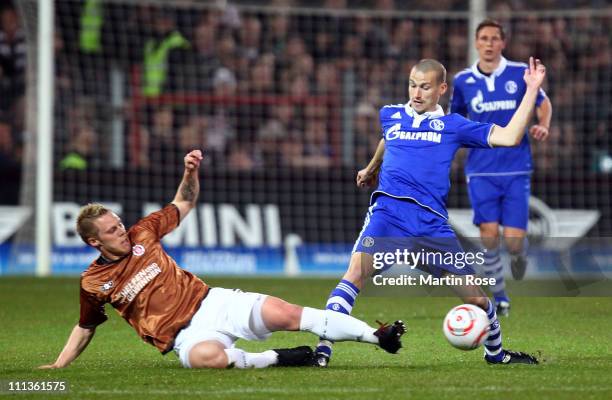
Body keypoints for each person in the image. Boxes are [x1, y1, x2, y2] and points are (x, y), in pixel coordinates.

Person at [38, 150, 405, 370]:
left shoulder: (144, 233)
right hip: (184, 336)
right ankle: (280, 358)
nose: (121, 230)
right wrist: (60, 363)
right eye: (111, 230)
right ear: (93, 241)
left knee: (288, 314)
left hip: (212, 302)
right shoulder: (92, 282)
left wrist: (189, 172)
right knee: (205, 360)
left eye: (118, 223)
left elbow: (183, 202)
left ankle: (378, 336)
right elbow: (85, 326)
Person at [312, 58, 545, 367]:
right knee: (355, 274)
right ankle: (322, 352)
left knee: (476, 298)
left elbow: (510, 136)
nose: (416, 93)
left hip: (430, 225)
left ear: (442, 89)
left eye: (424, 87)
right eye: (412, 85)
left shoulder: (454, 126)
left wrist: (531, 90)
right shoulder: (391, 115)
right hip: (389, 214)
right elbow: (387, 139)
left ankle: (496, 354)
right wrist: (371, 168)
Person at [450, 20, 553, 316]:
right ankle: (500, 295)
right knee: (489, 234)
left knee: (514, 242)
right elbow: (455, 121)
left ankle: (519, 257)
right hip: (480, 171)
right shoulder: (463, 81)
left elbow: (543, 103)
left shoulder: (520, 73)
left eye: (495, 38)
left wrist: (543, 125)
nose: (489, 43)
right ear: (476, 42)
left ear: (503, 43)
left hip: (516, 168)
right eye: (484, 38)